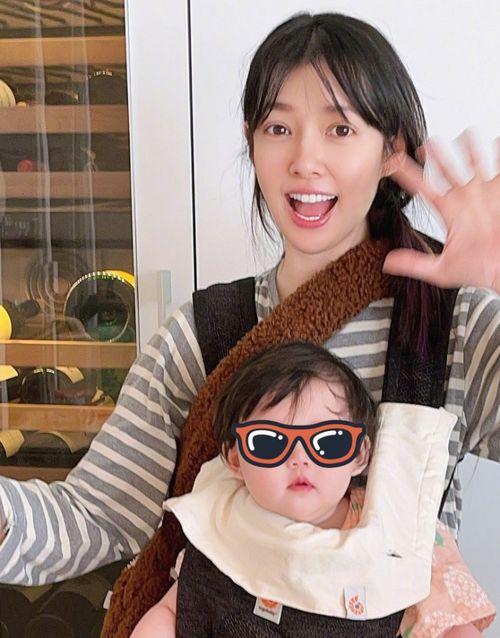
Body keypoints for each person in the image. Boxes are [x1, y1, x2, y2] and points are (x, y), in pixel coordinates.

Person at [0, 10, 498, 597]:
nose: (304, 160)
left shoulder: (454, 323)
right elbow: (95, 515)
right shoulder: (204, 333)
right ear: (251, 142)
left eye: (340, 129)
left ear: (392, 150)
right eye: (279, 128)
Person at [129, 342, 495, 638]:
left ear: (360, 455)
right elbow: (173, 610)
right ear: (235, 459)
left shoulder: (397, 530)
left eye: (329, 442)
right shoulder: (221, 522)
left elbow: (451, 625)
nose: (300, 459)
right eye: (269, 442)